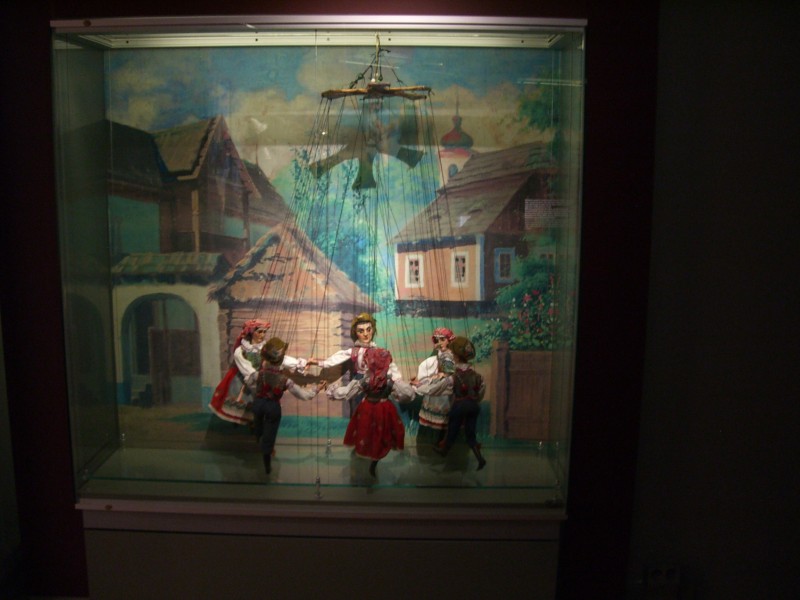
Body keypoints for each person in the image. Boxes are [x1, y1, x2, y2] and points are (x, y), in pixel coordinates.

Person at [314, 313, 410, 476]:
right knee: (362, 419)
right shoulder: (354, 351)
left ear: (373, 330)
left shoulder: (380, 352)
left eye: (368, 330)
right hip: (361, 383)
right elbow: (336, 358)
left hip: (378, 385)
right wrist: (318, 362)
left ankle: (374, 446)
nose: (365, 334)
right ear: (355, 333)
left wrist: (399, 381)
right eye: (361, 331)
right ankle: (362, 444)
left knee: (378, 419)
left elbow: (392, 369)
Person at [210, 319, 308, 426]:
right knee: (243, 410)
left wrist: (299, 363)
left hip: (260, 380)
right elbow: (247, 369)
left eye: (264, 332)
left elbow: (281, 358)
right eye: (259, 332)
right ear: (252, 332)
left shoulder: (265, 349)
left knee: (260, 411)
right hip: (244, 381)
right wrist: (262, 377)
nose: (262, 335)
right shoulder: (240, 351)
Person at [253, 337, 325, 475]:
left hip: (258, 403)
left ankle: (259, 440)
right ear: (281, 359)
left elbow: (250, 380)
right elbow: (304, 395)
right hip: (272, 407)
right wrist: (317, 389)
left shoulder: (260, 373)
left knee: (258, 427)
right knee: (270, 433)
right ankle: (267, 463)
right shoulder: (285, 380)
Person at [420, 336, 487, 471]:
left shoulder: (453, 374)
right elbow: (480, 392)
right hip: (473, 406)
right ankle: (480, 459)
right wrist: (473, 401)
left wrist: (421, 388)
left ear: (455, 356)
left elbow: (440, 387)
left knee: (452, 429)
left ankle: (444, 450)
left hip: (459, 405)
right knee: (470, 433)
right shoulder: (477, 375)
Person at [412, 327, 456, 447]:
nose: (440, 343)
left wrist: (429, 382)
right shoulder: (438, 356)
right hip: (434, 392)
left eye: (443, 339)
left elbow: (447, 376)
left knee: (439, 424)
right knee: (429, 422)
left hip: (443, 395)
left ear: (449, 340)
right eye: (437, 340)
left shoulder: (449, 356)